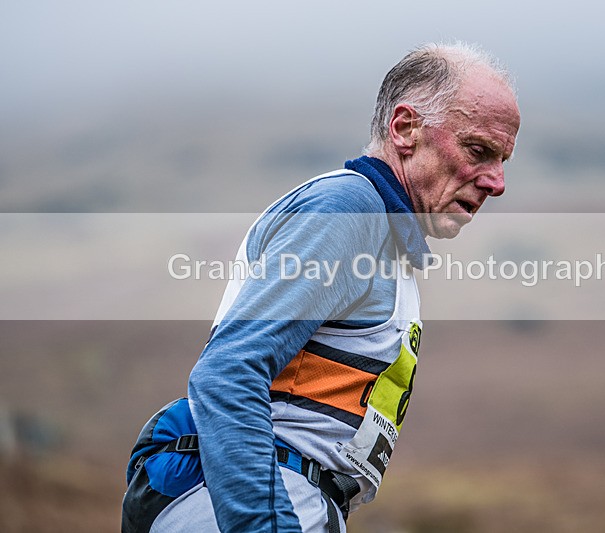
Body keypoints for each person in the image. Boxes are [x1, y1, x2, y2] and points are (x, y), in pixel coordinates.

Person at [138, 42, 519, 532]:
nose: (497, 182)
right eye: (478, 150)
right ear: (405, 130)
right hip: (253, 503)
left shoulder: (382, 235)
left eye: (503, 159)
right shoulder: (349, 209)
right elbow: (228, 373)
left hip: (287, 500)